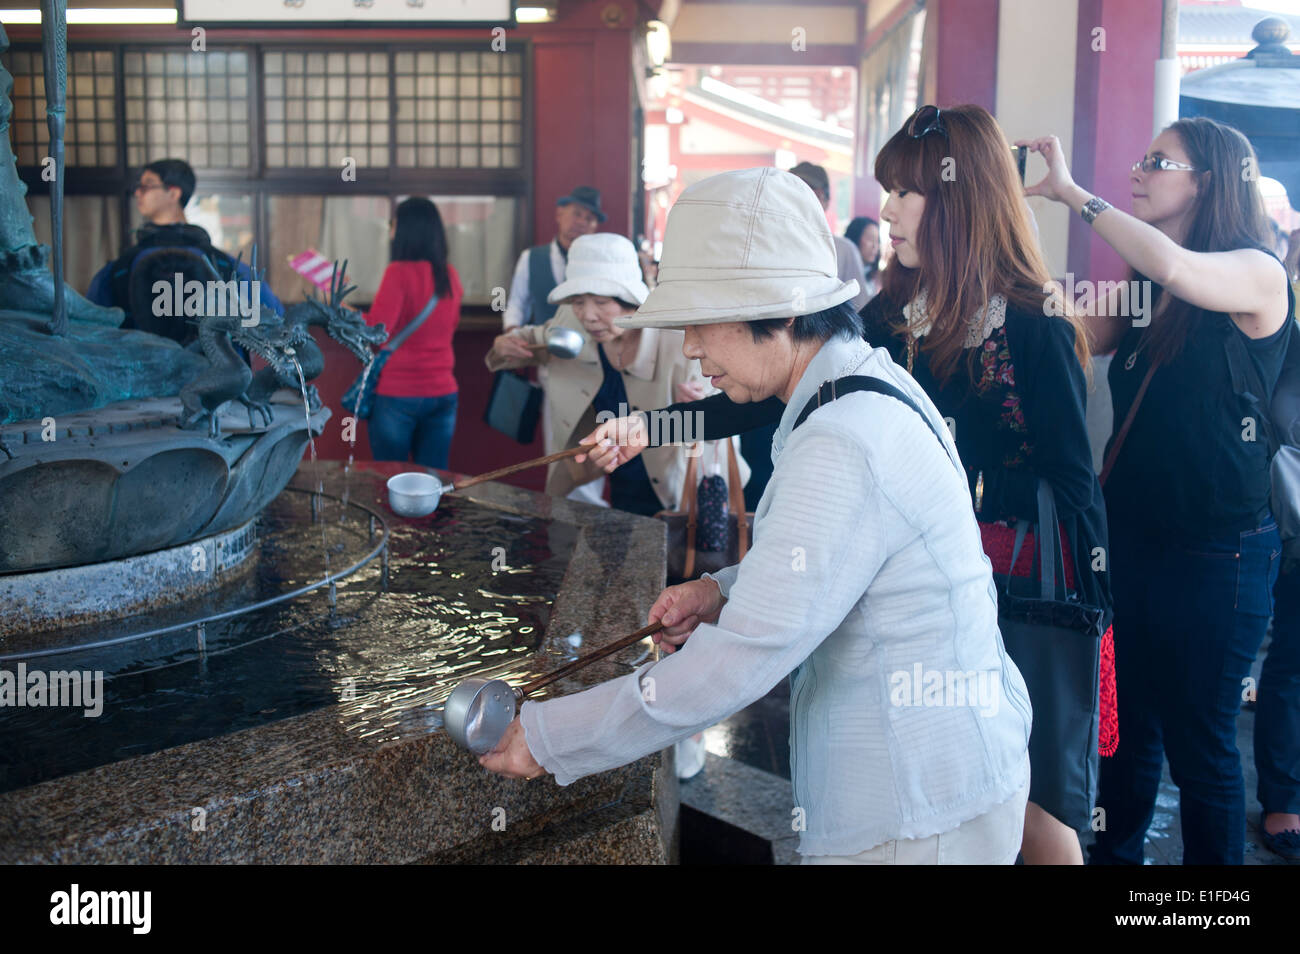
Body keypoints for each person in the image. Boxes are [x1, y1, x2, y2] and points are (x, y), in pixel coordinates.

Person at [582, 106, 1113, 866]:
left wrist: (1092, 606)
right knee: (986, 790)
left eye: (909, 193)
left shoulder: (1036, 321)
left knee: (1043, 803)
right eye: (889, 191)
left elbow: (1074, 479)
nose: (888, 211)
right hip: (905, 572)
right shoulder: (894, 313)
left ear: (964, 201)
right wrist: (647, 429)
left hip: (1029, 581)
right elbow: (761, 394)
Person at [481, 168, 1033, 865]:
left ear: (778, 309)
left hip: (914, 813)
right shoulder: (861, 381)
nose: (688, 347)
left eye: (701, 320)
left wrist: (547, 736)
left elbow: (734, 666)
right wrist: (720, 590)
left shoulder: (843, 439)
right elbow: (831, 561)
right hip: (941, 781)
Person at [1020, 116, 1293, 865]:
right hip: (1131, 541)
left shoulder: (1257, 271)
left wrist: (1074, 194)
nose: (1138, 171)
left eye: (1157, 162)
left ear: (1208, 182)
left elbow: (1179, 270)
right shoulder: (1147, 284)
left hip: (1220, 558)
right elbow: (1068, 329)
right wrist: (1003, 245)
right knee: (1125, 731)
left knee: (1202, 748)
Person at [486, 232, 718, 517]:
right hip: (612, 475)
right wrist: (503, 346)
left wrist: (700, 405)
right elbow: (525, 343)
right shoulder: (572, 324)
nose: (588, 315)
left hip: (675, 485)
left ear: (631, 300)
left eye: (600, 302)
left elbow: (722, 420)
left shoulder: (677, 337)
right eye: (579, 301)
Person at [88, 158, 283, 341]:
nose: (137, 192)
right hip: (218, 373)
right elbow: (274, 316)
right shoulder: (225, 264)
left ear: (174, 193)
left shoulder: (121, 268)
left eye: (146, 185)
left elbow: (92, 324)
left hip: (141, 371)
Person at [502, 185, 606, 505]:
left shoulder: (600, 261)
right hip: (552, 367)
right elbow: (516, 305)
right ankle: (567, 515)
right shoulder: (531, 259)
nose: (582, 223)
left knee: (595, 445)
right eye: (577, 214)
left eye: (590, 219)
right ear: (559, 213)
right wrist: (512, 335)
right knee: (560, 444)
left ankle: (585, 517)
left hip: (599, 367)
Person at [362, 197, 463, 470]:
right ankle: (428, 516)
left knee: (389, 478)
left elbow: (376, 332)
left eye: (393, 222)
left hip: (399, 394)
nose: (390, 228)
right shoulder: (450, 275)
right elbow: (451, 324)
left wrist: (341, 308)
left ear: (404, 228)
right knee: (432, 480)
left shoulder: (397, 273)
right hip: (443, 392)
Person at [788, 162, 872, 313]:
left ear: (826, 202)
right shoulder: (775, 246)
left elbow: (861, 310)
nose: (802, 201)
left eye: (813, 195)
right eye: (793, 193)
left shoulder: (844, 250)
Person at [844, 216, 882, 302]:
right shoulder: (843, 274)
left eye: (877, 241)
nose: (875, 246)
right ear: (854, 238)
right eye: (870, 239)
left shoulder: (873, 278)